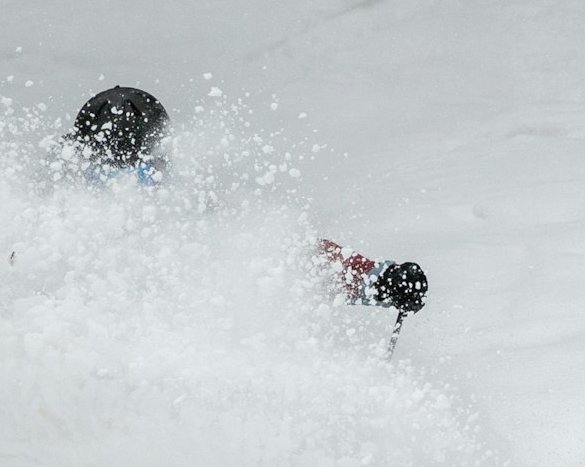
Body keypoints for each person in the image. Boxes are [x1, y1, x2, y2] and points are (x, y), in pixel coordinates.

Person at [66, 86, 429, 321]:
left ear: (164, 164)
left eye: (143, 174)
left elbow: (295, 257)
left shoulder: (201, 216)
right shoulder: (54, 235)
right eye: (108, 176)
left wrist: (379, 278)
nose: (127, 193)